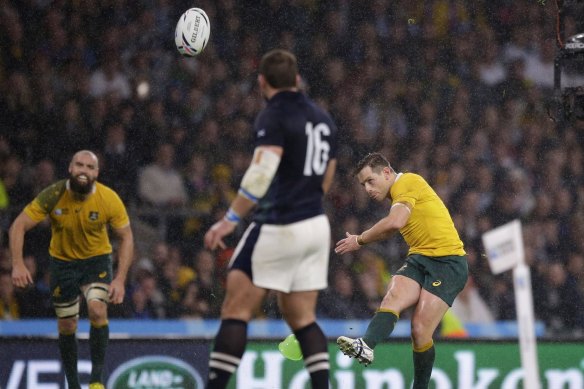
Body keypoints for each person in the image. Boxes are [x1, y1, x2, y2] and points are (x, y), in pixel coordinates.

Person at [203, 49, 338, 389]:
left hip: (281, 224)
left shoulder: (273, 116)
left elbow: (261, 173)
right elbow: (327, 173)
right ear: (297, 79)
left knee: (236, 308)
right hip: (315, 225)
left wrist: (230, 218)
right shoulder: (323, 118)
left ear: (261, 82)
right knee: (302, 317)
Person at [334, 152, 468, 389]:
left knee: (419, 330)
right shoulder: (397, 196)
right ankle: (366, 345)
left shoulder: (408, 182)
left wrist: (360, 239)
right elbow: (390, 228)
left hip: (448, 263)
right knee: (393, 293)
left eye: (370, 181)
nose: (367, 189)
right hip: (420, 258)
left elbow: (394, 222)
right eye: (363, 184)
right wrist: (362, 240)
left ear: (386, 172)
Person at [9, 150, 134, 389]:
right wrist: (17, 263)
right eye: (79, 165)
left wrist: (119, 279)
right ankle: (74, 385)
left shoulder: (109, 199)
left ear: (96, 173)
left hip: (96, 261)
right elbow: (18, 226)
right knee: (67, 324)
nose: (84, 171)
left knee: (97, 310)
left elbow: (126, 237)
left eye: (89, 167)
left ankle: (96, 381)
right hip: (63, 263)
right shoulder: (54, 194)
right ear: (70, 168)